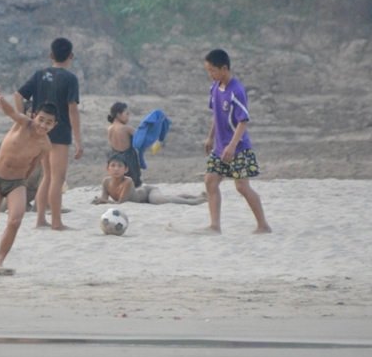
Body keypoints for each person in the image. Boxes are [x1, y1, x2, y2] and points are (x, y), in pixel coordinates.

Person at [0, 87, 58, 276]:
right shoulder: (23, 123)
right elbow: (12, 112)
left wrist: (23, 181)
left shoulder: (45, 145)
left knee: (15, 221)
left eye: (48, 123)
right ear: (34, 116)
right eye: (41, 120)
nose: (43, 125)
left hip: (17, 183)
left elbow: (33, 165)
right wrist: (2, 99)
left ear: (54, 125)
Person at [14, 37, 83, 230]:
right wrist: (78, 141)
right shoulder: (70, 79)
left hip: (39, 130)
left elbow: (18, 95)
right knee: (57, 178)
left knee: (47, 175)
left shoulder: (39, 74)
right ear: (71, 56)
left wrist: (24, 122)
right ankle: (56, 222)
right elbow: (72, 110)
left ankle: (40, 220)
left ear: (50, 55)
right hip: (59, 131)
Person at [201, 49, 271, 234]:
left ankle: (263, 225)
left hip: (238, 148)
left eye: (212, 70)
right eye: (208, 70)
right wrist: (210, 137)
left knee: (241, 186)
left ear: (224, 68)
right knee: (210, 181)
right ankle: (215, 226)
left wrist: (232, 146)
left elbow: (243, 121)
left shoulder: (237, 91)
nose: (210, 74)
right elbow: (216, 115)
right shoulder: (214, 87)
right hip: (220, 148)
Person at [92, 153, 206, 206]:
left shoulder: (128, 181)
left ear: (125, 169)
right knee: (168, 197)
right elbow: (105, 199)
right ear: (108, 169)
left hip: (148, 193)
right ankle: (196, 195)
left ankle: (195, 201)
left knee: (161, 200)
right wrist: (100, 201)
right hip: (142, 196)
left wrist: (104, 201)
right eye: (113, 166)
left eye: (119, 166)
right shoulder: (106, 182)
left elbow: (121, 202)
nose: (116, 169)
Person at [106, 102, 142, 187]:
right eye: (127, 114)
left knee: (119, 183)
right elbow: (141, 138)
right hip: (129, 159)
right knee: (134, 184)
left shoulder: (109, 129)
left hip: (115, 159)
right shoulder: (126, 128)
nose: (128, 117)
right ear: (119, 114)